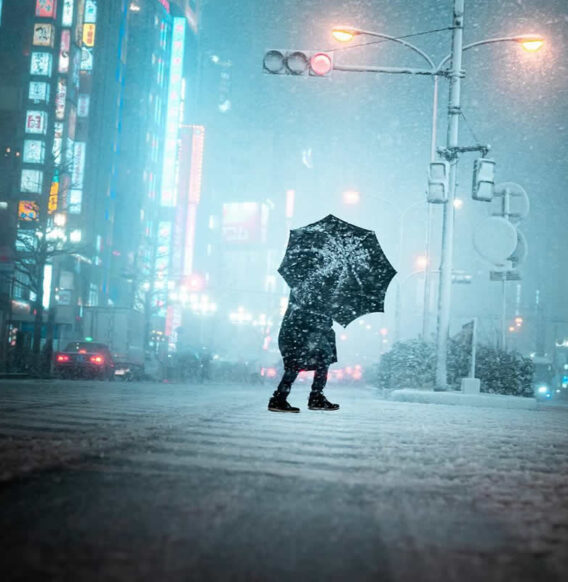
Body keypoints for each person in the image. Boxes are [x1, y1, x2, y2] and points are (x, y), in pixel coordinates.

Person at [268, 293, 339, 413]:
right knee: (299, 362)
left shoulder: (311, 285)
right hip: (302, 331)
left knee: (316, 359)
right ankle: (284, 398)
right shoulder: (312, 286)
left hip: (303, 331)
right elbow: (306, 310)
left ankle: (283, 397)